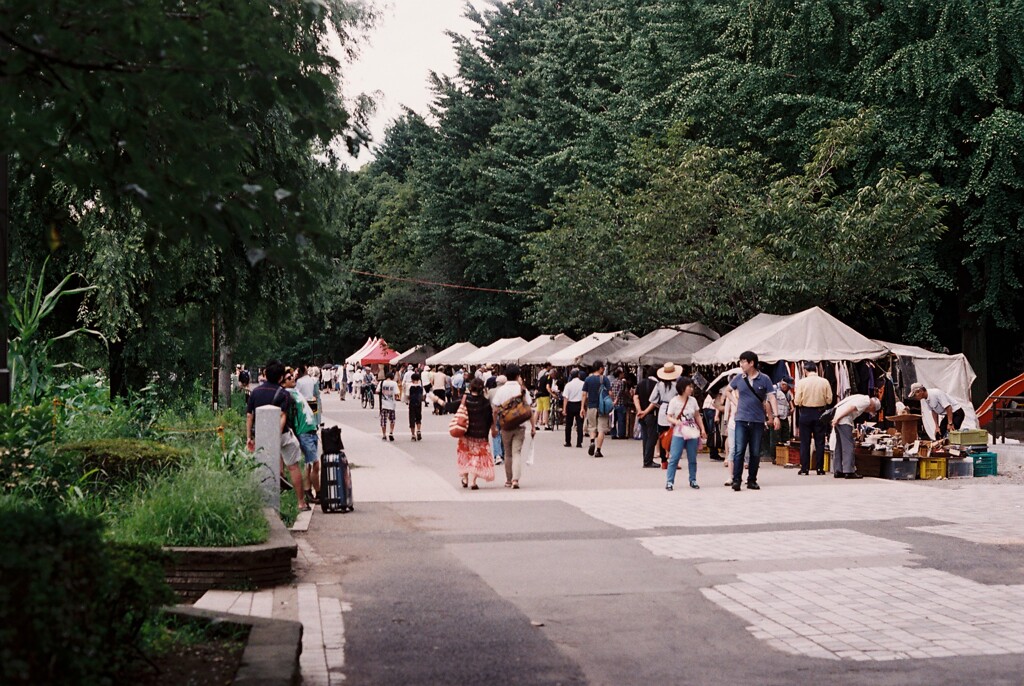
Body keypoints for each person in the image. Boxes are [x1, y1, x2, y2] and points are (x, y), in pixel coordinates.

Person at [245, 360, 308, 511]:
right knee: (293, 466)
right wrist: (276, 435)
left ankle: (264, 501)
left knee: (263, 466)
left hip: (262, 434)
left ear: (265, 373)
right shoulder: (284, 394)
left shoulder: (255, 392)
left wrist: (249, 437)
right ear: (281, 377)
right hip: (282, 434)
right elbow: (283, 416)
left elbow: (249, 416)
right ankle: (301, 502)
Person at [728, 351, 779, 492]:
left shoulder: (765, 379)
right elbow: (727, 391)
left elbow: (772, 398)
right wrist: (735, 402)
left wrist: (776, 416)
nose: (741, 364)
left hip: (757, 420)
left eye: (743, 361)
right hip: (741, 419)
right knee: (739, 451)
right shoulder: (739, 378)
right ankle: (736, 480)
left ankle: (752, 480)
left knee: (755, 452)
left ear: (751, 363)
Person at [491, 364, 536, 489]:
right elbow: (529, 409)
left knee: (508, 454)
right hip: (520, 426)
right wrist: (533, 427)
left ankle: (508, 480)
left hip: (506, 426)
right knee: (516, 452)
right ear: (517, 376)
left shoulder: (501, 390)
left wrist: (494, 426)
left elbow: (495, 410)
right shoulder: (522, 390)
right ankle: (516, 480)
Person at [283, 371, 321, 506]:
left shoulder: (295, 391)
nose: (292, 378)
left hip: (310, 429)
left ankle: (309, 491)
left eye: (292, 376)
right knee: (314, 463)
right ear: (283, 381)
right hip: (303, 431)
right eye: (289, 377)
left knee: (310, 464)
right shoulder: (287, 395)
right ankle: (317, 492)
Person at [665, 376, 707, 491]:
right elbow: (668, 416)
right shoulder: (674, 401)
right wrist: (676, 422)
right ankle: (669, 481)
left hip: (692, 431)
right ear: (683, 388)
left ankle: (693, 479)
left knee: (692, 458)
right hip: (679, 432)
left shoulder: (693, 401)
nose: (691, 389)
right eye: (689, 386)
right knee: (674, 457)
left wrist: (702, 429)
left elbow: (697, 415)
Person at [794, 361, 833, 475]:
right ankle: (820, 468)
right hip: (820, 413)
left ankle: (805, 468)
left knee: (805, 442)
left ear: (805, 371)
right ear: (816, 370)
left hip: (805, 413)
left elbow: (797, 401)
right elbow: (829, 399)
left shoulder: (802, 382)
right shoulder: (824, 381)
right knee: (820, 442)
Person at [831, 394, 882, 479]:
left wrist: (836, 418)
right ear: (872, 405)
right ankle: (849, 471)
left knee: (839, 445)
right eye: (872, 409)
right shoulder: (866, 401)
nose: (869, 411)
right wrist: (838, 418)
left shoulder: (860, 397)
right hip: (843, 420)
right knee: (848, 445)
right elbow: (852, 408)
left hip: (838, 417)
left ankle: (838, 470)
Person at [457, 377, 496, 489]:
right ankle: (473, 481)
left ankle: (465, 478)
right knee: (476, 457)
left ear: (470, 387)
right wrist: (490, 431)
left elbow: (451, 406)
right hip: (480, 435)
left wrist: (437, 400)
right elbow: (489, 419)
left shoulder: (465, 398)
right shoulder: (485, 402)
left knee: (465, 455)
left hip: (466, 433)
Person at [645, 362, 682, 467]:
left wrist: (657, 406)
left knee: (662, 436)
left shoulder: (659, 385)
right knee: (674, 436)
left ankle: (664, 461)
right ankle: (674, 460)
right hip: (674, 411)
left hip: (662, 410)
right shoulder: (677, 386)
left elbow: (652, 400)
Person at [580, 361, 612, 458]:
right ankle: (598, 450)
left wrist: (582, 407)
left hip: (591, 406)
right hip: (602, 408)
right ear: (601, 368)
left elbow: (584, 394)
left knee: (592, 427)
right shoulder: (605, 379)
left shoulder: (588, 379)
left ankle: (592, 441)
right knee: (601, 429)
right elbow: (610, 393)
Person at [634, 366, 660, 468]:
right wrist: (646, 411)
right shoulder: (657, 385)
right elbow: (655, 402)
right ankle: (648, 461)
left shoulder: (640, 384)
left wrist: (639, 410)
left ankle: (646, 458)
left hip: (641, 415)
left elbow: (636, 397)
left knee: (645, 437)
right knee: (652, 437)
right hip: (651, 414)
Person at [562, 369, 585, 448]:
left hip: (570, 405)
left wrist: (564, 409)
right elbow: (585, 395)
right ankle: (579, 442)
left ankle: (568, 441)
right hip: (579, 404)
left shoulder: (568, 385)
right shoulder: (583, 384)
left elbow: (565, 398)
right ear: (578, 375)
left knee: (568, 425)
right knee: (579, 425)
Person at [378, 371, 400, 441]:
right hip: (391, 405)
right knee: (392, 420)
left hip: (383, 405)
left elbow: (377, 391)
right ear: (392, 377)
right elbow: (397, 394)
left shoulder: (381, 383)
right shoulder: (394, 383)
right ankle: (391, 432)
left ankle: (384, 435)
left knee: (383, 421)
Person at [701, 389, 720, 461]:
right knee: (713, 430)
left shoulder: (715, 388)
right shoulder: (721, 389)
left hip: (706, 408)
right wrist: (717, 415)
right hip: (712, 409)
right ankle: (714, 453)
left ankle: (713, 453)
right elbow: (717, 402)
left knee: (711, 430)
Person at [610, 368, 628, 439]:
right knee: (621, 420)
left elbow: (610, 392)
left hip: (613, 404)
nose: (623, 374)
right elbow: (620, 393)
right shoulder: (621, 383)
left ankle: (613, 434)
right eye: (622, 373)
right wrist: (616, 400)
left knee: (613, 420)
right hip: (620, 403)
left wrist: (612, 400)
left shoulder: (612, 382)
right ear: (620, 374)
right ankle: (621, 434)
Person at [407, 371, 425, 440]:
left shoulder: (409, 386)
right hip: (418, 404)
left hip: (412, 404)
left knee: (412, 418)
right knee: (418, 417)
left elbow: (407, 396)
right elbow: (423, 396)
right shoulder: (420, 387)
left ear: (412, 379)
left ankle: (413, 434)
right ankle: (419, 430)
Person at [535, 364, 552, 429]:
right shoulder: (548, 375)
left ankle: (535, 424)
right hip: (545, 395)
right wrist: (552, 393)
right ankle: (546, 424)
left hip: (539, 394)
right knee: (545, 410)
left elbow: (538, 383)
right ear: (548, 366)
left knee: (538, 410)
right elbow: (547, 386)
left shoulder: (540, 374)